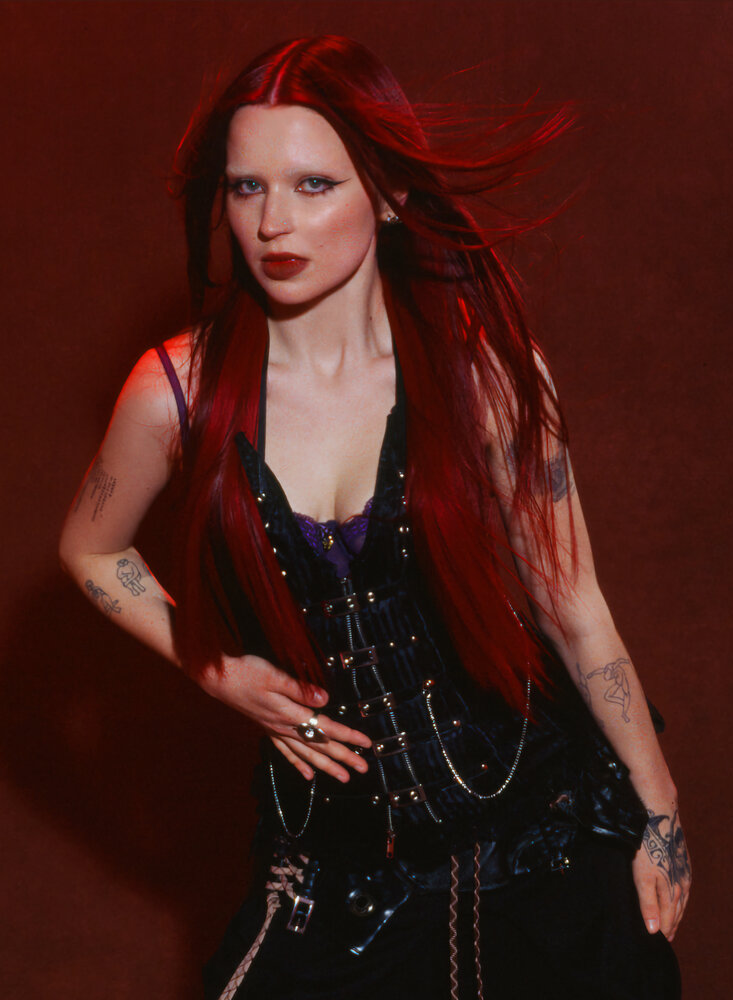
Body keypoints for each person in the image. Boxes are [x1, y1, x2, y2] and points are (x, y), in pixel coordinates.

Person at [59, 34, 690, 1000]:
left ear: (387, 196)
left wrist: (659, 810)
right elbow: (91, 549)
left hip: (536, 842)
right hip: (339, 873)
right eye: (246, 188)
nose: (273, 222)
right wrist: (214, 666)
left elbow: (574, 609)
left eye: (312, 185)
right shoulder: (173, 392)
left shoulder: (482, 375)